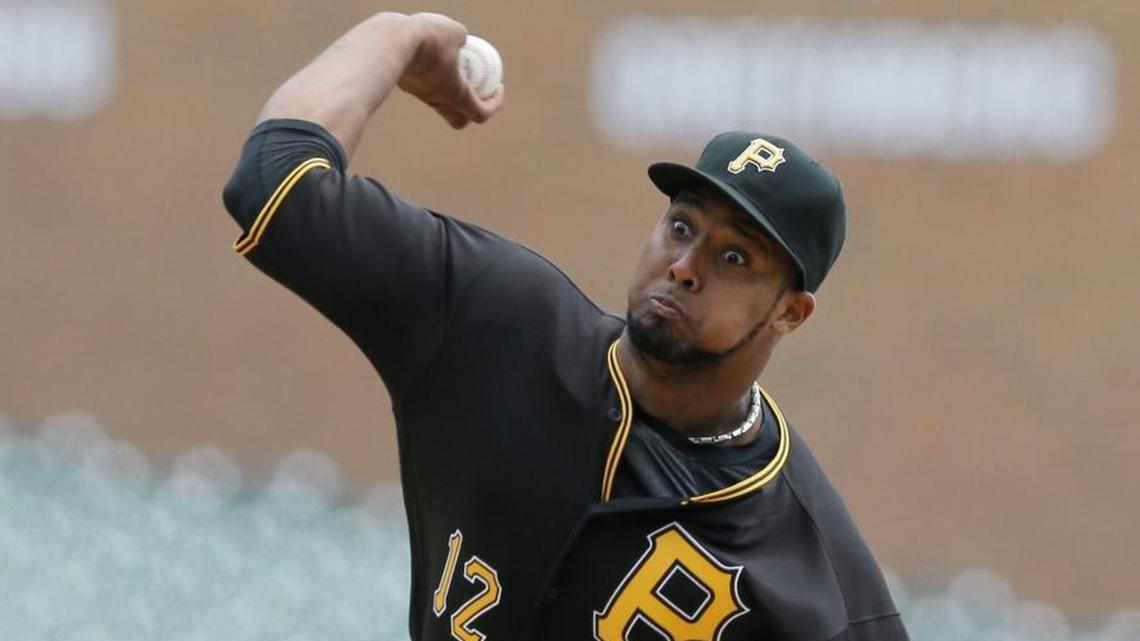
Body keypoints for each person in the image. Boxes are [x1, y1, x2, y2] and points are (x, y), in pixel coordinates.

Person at [222, 11, 909, 641]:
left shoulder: (821, 579)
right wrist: (397, 36)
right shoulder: (496, 319)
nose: (685, 266)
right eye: (680, 225)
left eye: (734, 256)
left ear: (791, 311)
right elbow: (272, 186)